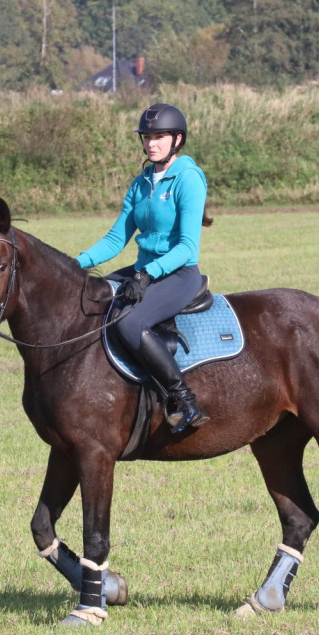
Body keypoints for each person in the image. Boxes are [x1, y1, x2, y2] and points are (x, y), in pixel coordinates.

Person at [76, 103, 211, 433]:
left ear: (177, 140)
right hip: (143, 269)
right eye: (147, 137)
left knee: (131, 321)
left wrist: (147, 274)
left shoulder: (189, 180)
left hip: (179, 274)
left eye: (159, 136)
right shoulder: (141, 183)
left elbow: (187, 248)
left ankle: (185, 401)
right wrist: (72, 265)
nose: (152, 143)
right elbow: (114, 239)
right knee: (92, 299)